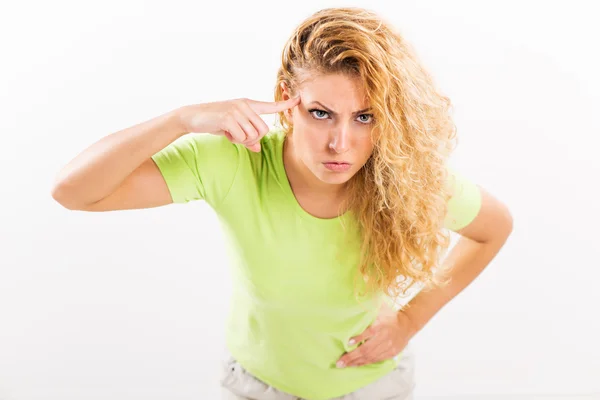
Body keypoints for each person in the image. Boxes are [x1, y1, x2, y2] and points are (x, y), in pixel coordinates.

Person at [51, 7, 513, 400]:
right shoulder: (234, 161)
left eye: (364, 118)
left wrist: (410, 321)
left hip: (373, 385)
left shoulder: (403, 176)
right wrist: (181, 119)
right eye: (321, 113)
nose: (341, 143)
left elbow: (495, 227)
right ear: (285, 103)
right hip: (257, 385)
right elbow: (73, 191)